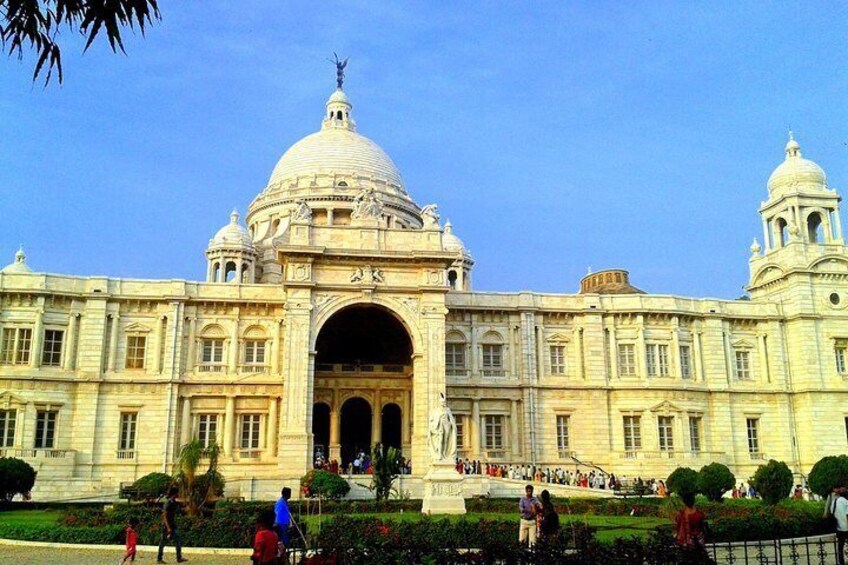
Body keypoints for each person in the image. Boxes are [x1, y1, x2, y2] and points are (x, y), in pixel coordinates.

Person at [157, 486, 187, 564]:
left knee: (178, 540)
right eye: (177, 492)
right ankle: (159, 559)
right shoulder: (168, 503)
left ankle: (179, 558)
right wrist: (168, 527)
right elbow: (164, 515)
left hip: (172, 525)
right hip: (167, 526)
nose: (178, 494)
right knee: (163, 542)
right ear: (175, 493)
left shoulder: (173, 502)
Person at [835, 487, 848, 565]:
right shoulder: (846, 502)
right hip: (846, 527)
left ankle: (841, 562)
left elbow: (832, 512)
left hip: (838, 527)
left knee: (840, 546)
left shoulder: (835, 501)